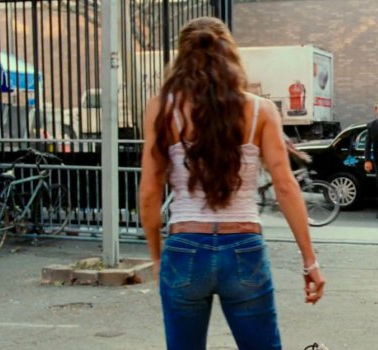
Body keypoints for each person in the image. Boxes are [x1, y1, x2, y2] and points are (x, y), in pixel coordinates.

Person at [138, 17, 325, 350]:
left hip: (184, 247)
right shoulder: (260, 111)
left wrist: (157, 258)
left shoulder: (162, 109)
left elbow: (150, 194)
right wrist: (309, 261)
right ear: (230, 55)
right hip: (243, 248)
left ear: (181, 57)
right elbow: (285, 187)